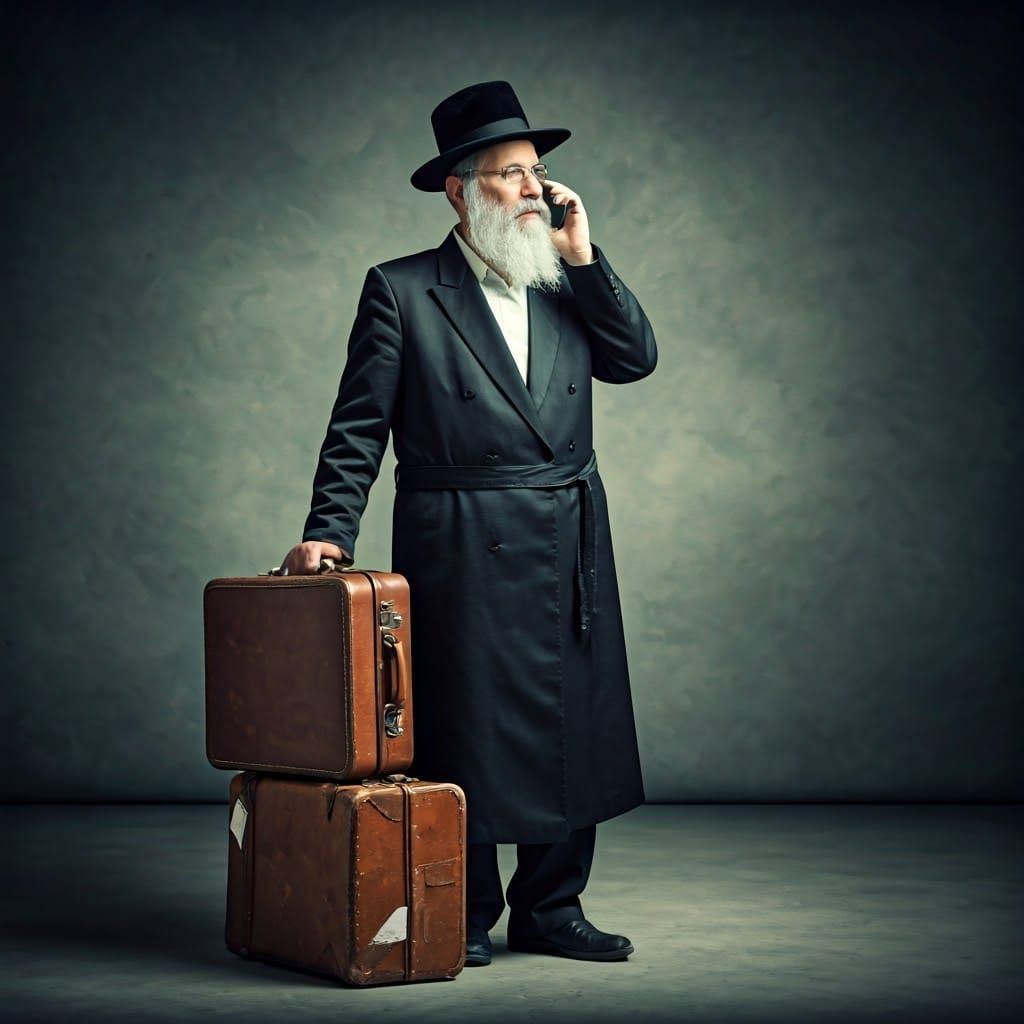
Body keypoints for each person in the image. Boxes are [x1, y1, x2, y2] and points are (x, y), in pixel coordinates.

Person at [280, 81, 657, 966]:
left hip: (565, 532)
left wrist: (589, 254)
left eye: (539, 172)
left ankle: (553, 909)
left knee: (571, 720)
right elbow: (358, 424)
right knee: (462, 721)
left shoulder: (568, 279)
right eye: (508, 174)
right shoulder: (404, 290)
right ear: (458, 188)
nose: (532, 189)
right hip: (458, 534)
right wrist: (329, 526)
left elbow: (636, 360)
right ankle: (468, 907)